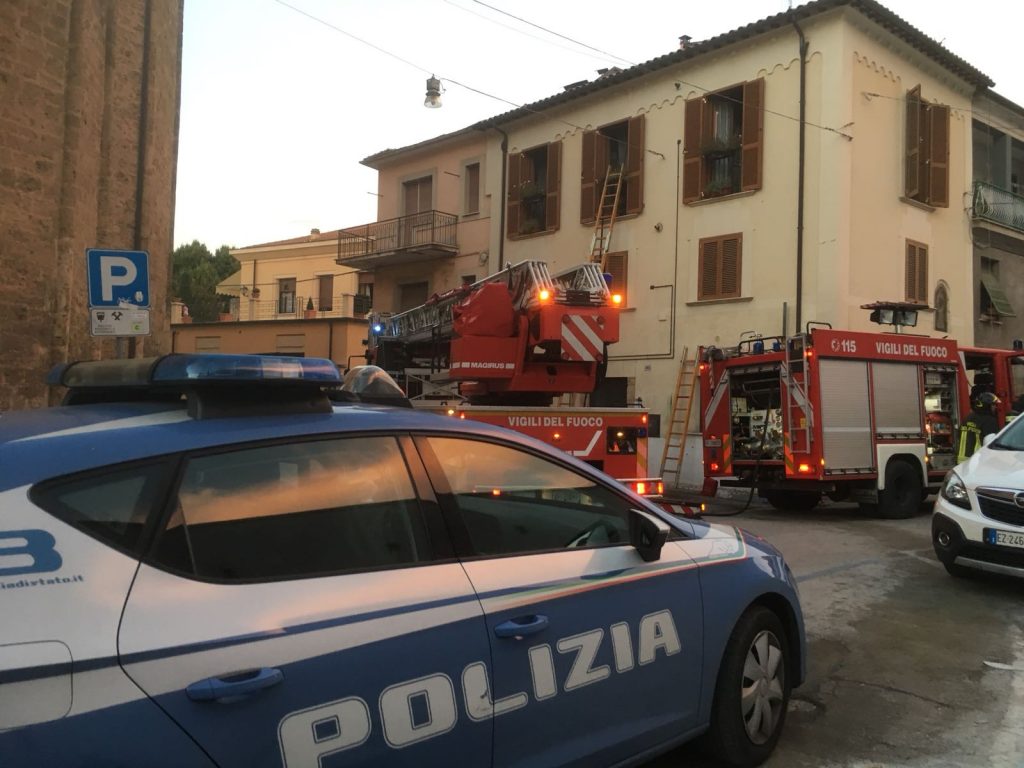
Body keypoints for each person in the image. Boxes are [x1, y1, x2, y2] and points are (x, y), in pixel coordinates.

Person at [957, 391, 1001, 462]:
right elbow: (992, 442)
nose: (995, 407)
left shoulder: (968, 418)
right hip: (978, 460)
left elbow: (959, 435)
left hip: (961, 461)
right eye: (993, 404)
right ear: (986, 406)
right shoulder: (989, 421)